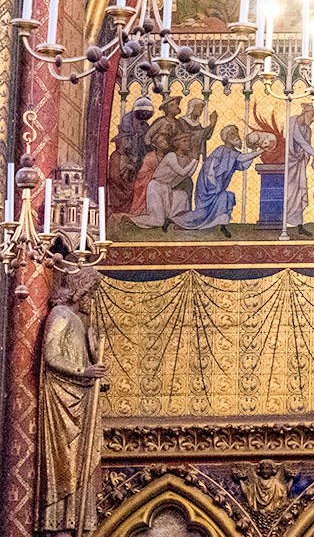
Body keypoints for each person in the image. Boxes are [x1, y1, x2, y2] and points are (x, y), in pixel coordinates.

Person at [38, 269, 105, 536]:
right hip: (62, 399)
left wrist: (93, 375)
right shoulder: (61, 315)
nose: (90, 299)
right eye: (89, 293)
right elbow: (51, 356)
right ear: (80, 290)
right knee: (64, 459)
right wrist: (83, 373)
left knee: (79, 463)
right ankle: (58, 521)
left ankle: (73, 520)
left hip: (80, 395)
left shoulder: (78, 320)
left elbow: (78, 359)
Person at [174, 125, 263, 234]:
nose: (236, 136)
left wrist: (254, 150)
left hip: (217, 189)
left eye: (236, 133)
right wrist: (260, 151)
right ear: (226, 137)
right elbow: (209, 171)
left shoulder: (233, 153)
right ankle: (175, 221)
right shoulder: (221, 151)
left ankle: (222, 227)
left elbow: (243, 165)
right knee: (202, 213)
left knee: (225, 197)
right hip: (208, 189)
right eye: (232, 134)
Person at [107, 96, 153, 215]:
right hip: (120, 186)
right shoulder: (127, 119)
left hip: (137, 157)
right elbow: (114, 177)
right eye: (127, 139)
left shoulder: (145, 125)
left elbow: (147, 140)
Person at [283, 103, 314, 236]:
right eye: (312, 115)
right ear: (305, 112)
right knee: (288, 191)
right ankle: (283, 223)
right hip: (288, 163)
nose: (313, 118)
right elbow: (301, 142)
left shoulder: (308, 129)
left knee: (298, 192)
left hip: (298, 164)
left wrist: (306, 156)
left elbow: (306, 146)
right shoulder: (292, 121)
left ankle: (298, 224)